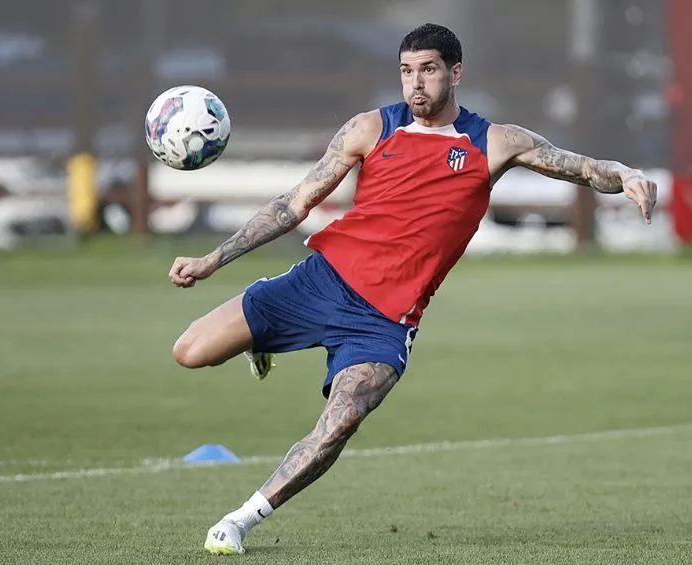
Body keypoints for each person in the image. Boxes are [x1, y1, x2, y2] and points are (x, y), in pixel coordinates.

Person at [169, 23, 659, 555]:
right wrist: (213, 260)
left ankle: (239, 521)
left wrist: (626, 172)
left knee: (341, 421)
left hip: (383, 324)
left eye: (427, 70)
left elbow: (585, 168)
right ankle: (265, 341)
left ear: (455, 72)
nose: (415, 84)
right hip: (320, 282)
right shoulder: (369, 129)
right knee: (189, 353)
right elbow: (293, 204)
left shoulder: (494, 143)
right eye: (406, 71)